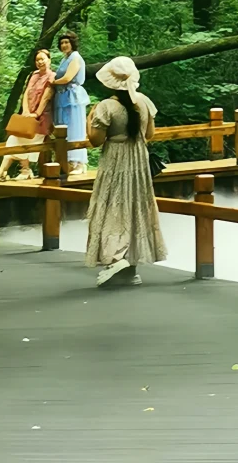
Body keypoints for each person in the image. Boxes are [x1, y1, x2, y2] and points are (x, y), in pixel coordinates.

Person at [85, 55, 167, 287]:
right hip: (138, 157)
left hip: (115, 158)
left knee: (113, 203)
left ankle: (115, 258)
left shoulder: (106, 107)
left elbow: (95, 140)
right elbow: (149, 135)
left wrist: (90, 117)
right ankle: (131, 266)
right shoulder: (143, 102)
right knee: (135, 206)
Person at [0, 48, 54, 182]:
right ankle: (14, 171)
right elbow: (26, 92)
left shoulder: (51, 76)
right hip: (27, 115)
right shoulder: (34, 74)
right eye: (37, 60)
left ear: (49, 60)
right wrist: (26, 111)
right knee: (14, 140)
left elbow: (46, 97)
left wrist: (36, 114)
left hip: (41, 118)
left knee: (28, 143)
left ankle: (9, 172)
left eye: (42, 59)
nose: (40, 62)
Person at [51, 32, 90, 174]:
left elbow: (68, 77)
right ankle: (68, 161)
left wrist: (53, 82)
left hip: (72, 96)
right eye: (62, 43)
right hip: (62, 95)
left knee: (75, 127)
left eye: (66, 42)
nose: (64, 45)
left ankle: (79, 163)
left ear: (72, 43)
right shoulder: (65, 59)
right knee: (64, 127)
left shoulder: (75, 57)